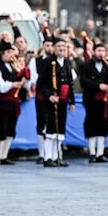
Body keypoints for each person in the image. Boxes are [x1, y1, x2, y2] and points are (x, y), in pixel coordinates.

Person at [80, 43, 108, 163]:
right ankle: (92, 153)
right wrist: (99, 86)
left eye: (103, 51)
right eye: (99, 50)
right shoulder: (86, 65)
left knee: (104, 125)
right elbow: (84, 81)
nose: (101, 53)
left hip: (105, 101)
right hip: (91, 99)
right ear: (93, 52)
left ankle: (100, 153)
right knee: (91, 125)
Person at [0, 40, 30, 165]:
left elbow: (25, 82)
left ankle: (4, 155)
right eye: (7, 52)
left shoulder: (13, 66)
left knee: (11, 129)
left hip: (14, 101)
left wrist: (23, 79)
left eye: (11, 51)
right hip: (2, 102)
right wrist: (12, 84)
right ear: (1, 54)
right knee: (1, 127)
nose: (10, 54)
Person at [38, 37, 75, 167]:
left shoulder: (67, 62)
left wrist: (72, 101)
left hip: (63, 100)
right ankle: (47, 156)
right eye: (59, 46)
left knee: (60, 129)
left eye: (63, 47)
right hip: (51, 100)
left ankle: (57, 156)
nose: (61, 49)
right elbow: (41, 83)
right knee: (51, 129)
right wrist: (49, 96)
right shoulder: (48, 62)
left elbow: (70, 82)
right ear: (53, 48)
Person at [28, 37, 54, 164]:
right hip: (42, 96)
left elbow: (72, 74)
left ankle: (53, 154)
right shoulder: (36, 61)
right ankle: (42, 153)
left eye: (51, 45)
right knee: (41, 123)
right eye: (47, 45)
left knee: (53, 124)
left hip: (54, 97)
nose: (49, 47)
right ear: (43, 46)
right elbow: (33, 78)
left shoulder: (58, 61)